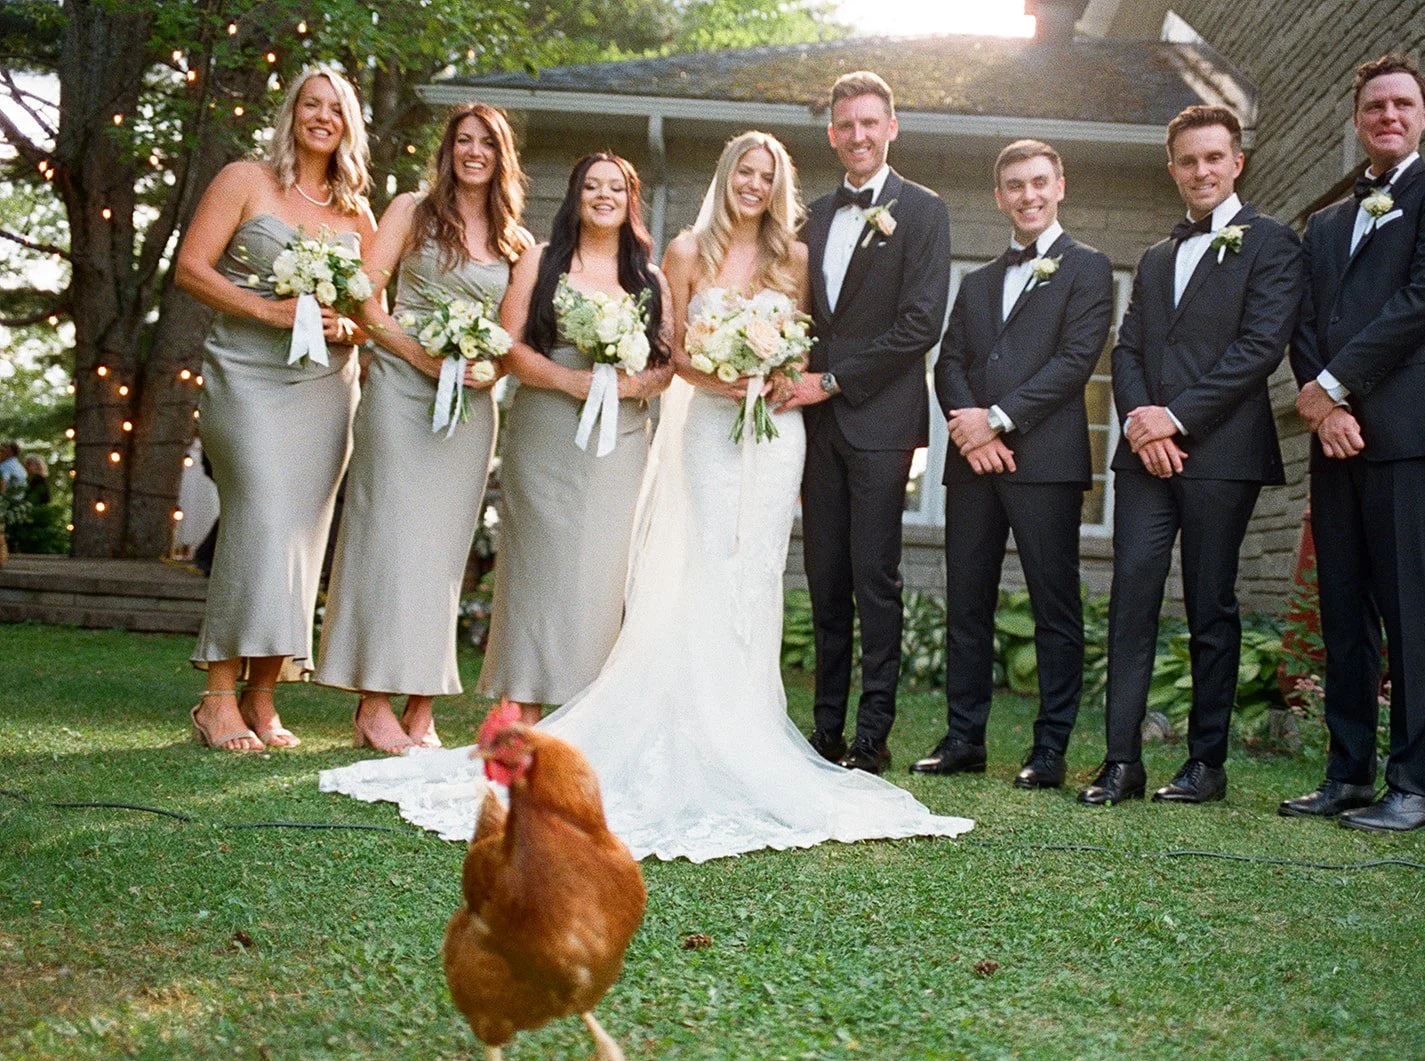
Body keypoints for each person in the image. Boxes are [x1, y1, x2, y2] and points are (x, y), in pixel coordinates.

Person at [320, 131, 972, 861]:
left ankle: (747, 724)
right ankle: (669, 716)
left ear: (778, 184)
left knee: (752, 575)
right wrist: (718, 370)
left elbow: (814, 340)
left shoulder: (796, 255)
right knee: (693, 566)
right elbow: (675, 351)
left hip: (775, 432)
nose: (753, 184)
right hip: (706, 430)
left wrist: (778, 366)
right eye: (742, 172)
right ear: (725, 177)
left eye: (765, 174)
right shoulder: (687, 251)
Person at [1280, 55, 1425, 832]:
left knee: (1410, 609)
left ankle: (1417, 785)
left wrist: (1332, 386)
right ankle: (1347, 775)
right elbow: (1306, 324)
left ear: (1424, 115)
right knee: (1343, 611)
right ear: (1357, 119)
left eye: (1402, 104)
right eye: (1374, 106)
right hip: (1339, 440)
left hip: (1417, 429)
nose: (1388, 115)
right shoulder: (1328, 222)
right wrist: (1324, 407)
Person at [1079, 106, 1303, 807]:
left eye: (1214, 158)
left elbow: (1259, 349)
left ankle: (1206, 765)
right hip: (1145, 461)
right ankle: (1122, 762)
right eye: (1187, 160)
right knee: (1132, 598)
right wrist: (1144, 427)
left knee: (1211, 603)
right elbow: (1132, 348)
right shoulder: (1155, 255)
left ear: (1237, 162)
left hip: (1221, 453)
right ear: (1172, 168)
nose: (1201, 171)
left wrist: (1174, 418)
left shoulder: (1272, 244)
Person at [316, 104, 531, 753]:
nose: (473, 152)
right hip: (400, 394)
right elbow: (364, 295)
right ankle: (372, 702)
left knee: (441, 555)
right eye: (462, 140)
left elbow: (511, 339)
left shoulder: (514, 240)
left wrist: (489, 372)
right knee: (389, 541)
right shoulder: (412, 209)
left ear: (501, 156)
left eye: (485, 143)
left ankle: (421, 707)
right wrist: (416, 352)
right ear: (448, 150)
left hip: (467, 413)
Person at [175, 65, 376, 751]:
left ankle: (263, 698)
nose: (323, 116)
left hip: (325, 386)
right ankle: (217, 697)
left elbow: (365, 311)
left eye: (336, 109)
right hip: (246, 374)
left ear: (349, 125)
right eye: (311, 104)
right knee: (258, 514)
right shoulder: (245, 179)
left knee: (298, 534)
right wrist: (268, 308)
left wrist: (347, 324)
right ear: (293, 113)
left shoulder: (357, 213)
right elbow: (191, 267)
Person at [914, 140, 1112, 790]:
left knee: (1054, 607)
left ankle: (1049, 749)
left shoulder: (1088, 269)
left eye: (1038, 183)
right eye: (1015, 186)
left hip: (1044, 464)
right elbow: (950, 363)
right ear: (1000, 197)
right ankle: (964, 738)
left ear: (1060, 185)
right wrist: (971, 434)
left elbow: (1074, 361)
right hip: (973, 467)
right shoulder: (976, 282)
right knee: (966, 602)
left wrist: (995, 421)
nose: (1027, 195)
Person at [774, 71, 951, 775]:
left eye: (869, 122)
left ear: (892, 127)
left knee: (874, 578)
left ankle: (871, 733)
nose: (858, 135)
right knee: (823, 576)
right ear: (832, 134)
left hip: (879, 424)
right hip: (813, 430)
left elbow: (920, 324)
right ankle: (824, 728)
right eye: (845, 124)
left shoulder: (925, 211)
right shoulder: (810, 217)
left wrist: (834, 379)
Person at [476, 152, 674, 725]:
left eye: (615, 187)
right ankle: (523, 702)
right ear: (576, 195)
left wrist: (626, 383)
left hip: (620, 439)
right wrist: (571, 381)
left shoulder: (648, 277)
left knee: (601, 568)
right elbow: (508, 345)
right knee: (536, 562)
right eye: (592, 185)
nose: (603, 195)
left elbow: (665, 366)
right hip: (546, 426)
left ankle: (588, 709)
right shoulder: (542, 260)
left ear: (630, 200)